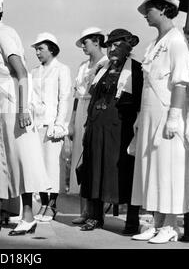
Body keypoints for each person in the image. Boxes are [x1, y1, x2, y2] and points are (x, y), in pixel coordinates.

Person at [0, 0, 51, 235]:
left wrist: (23, 110)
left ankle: (28, 216)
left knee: (22, 161)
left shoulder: (5, 36)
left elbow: (22, 74)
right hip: (6, 108)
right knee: (2, 162)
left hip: (17, 109)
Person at [131, 0, 189, 243]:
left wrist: (174, 117)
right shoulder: (153, 43)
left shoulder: (177, 40)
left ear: (164, 9)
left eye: (149, 9)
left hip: (168, 114)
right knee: (151, 168)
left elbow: (181, 82)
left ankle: (170, 225)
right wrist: (140, 117)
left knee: (168, 168)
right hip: (150, 115)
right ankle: (156, 222)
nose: (146, 14)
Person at [80, 29, 143, 233]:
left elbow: (139, 102)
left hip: (121, 130)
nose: (113, 49)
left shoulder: (137, 69)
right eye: (110, 45)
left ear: (128, 46)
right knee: (94, 169)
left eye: (118, 45)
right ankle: (95, 216)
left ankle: (132, 221)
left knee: (124, 172)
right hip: (97, 127)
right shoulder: (102, 68)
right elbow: (93, 95)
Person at [68, 27, 108, 225]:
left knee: (93, 158)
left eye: (86, 42)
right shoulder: (83, 65)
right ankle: (83, 211)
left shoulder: (106, 63)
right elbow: (76, 95)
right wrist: (72, 120)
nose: (83, 46)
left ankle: (95, 213)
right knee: (79, 159)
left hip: (96, 108)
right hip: (81, 108)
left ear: (97, 41)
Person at [30, 32, 71, 222]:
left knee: (52, 165)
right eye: (36, 49)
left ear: (51, 49)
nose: (37, 52)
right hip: (36, 124)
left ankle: (52, 205)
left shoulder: (62, 69)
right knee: (39, 166)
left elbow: (64, 98)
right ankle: (43, 203)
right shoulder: (35, 72)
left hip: (53, 124)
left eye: (41, 49)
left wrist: (60, 124)